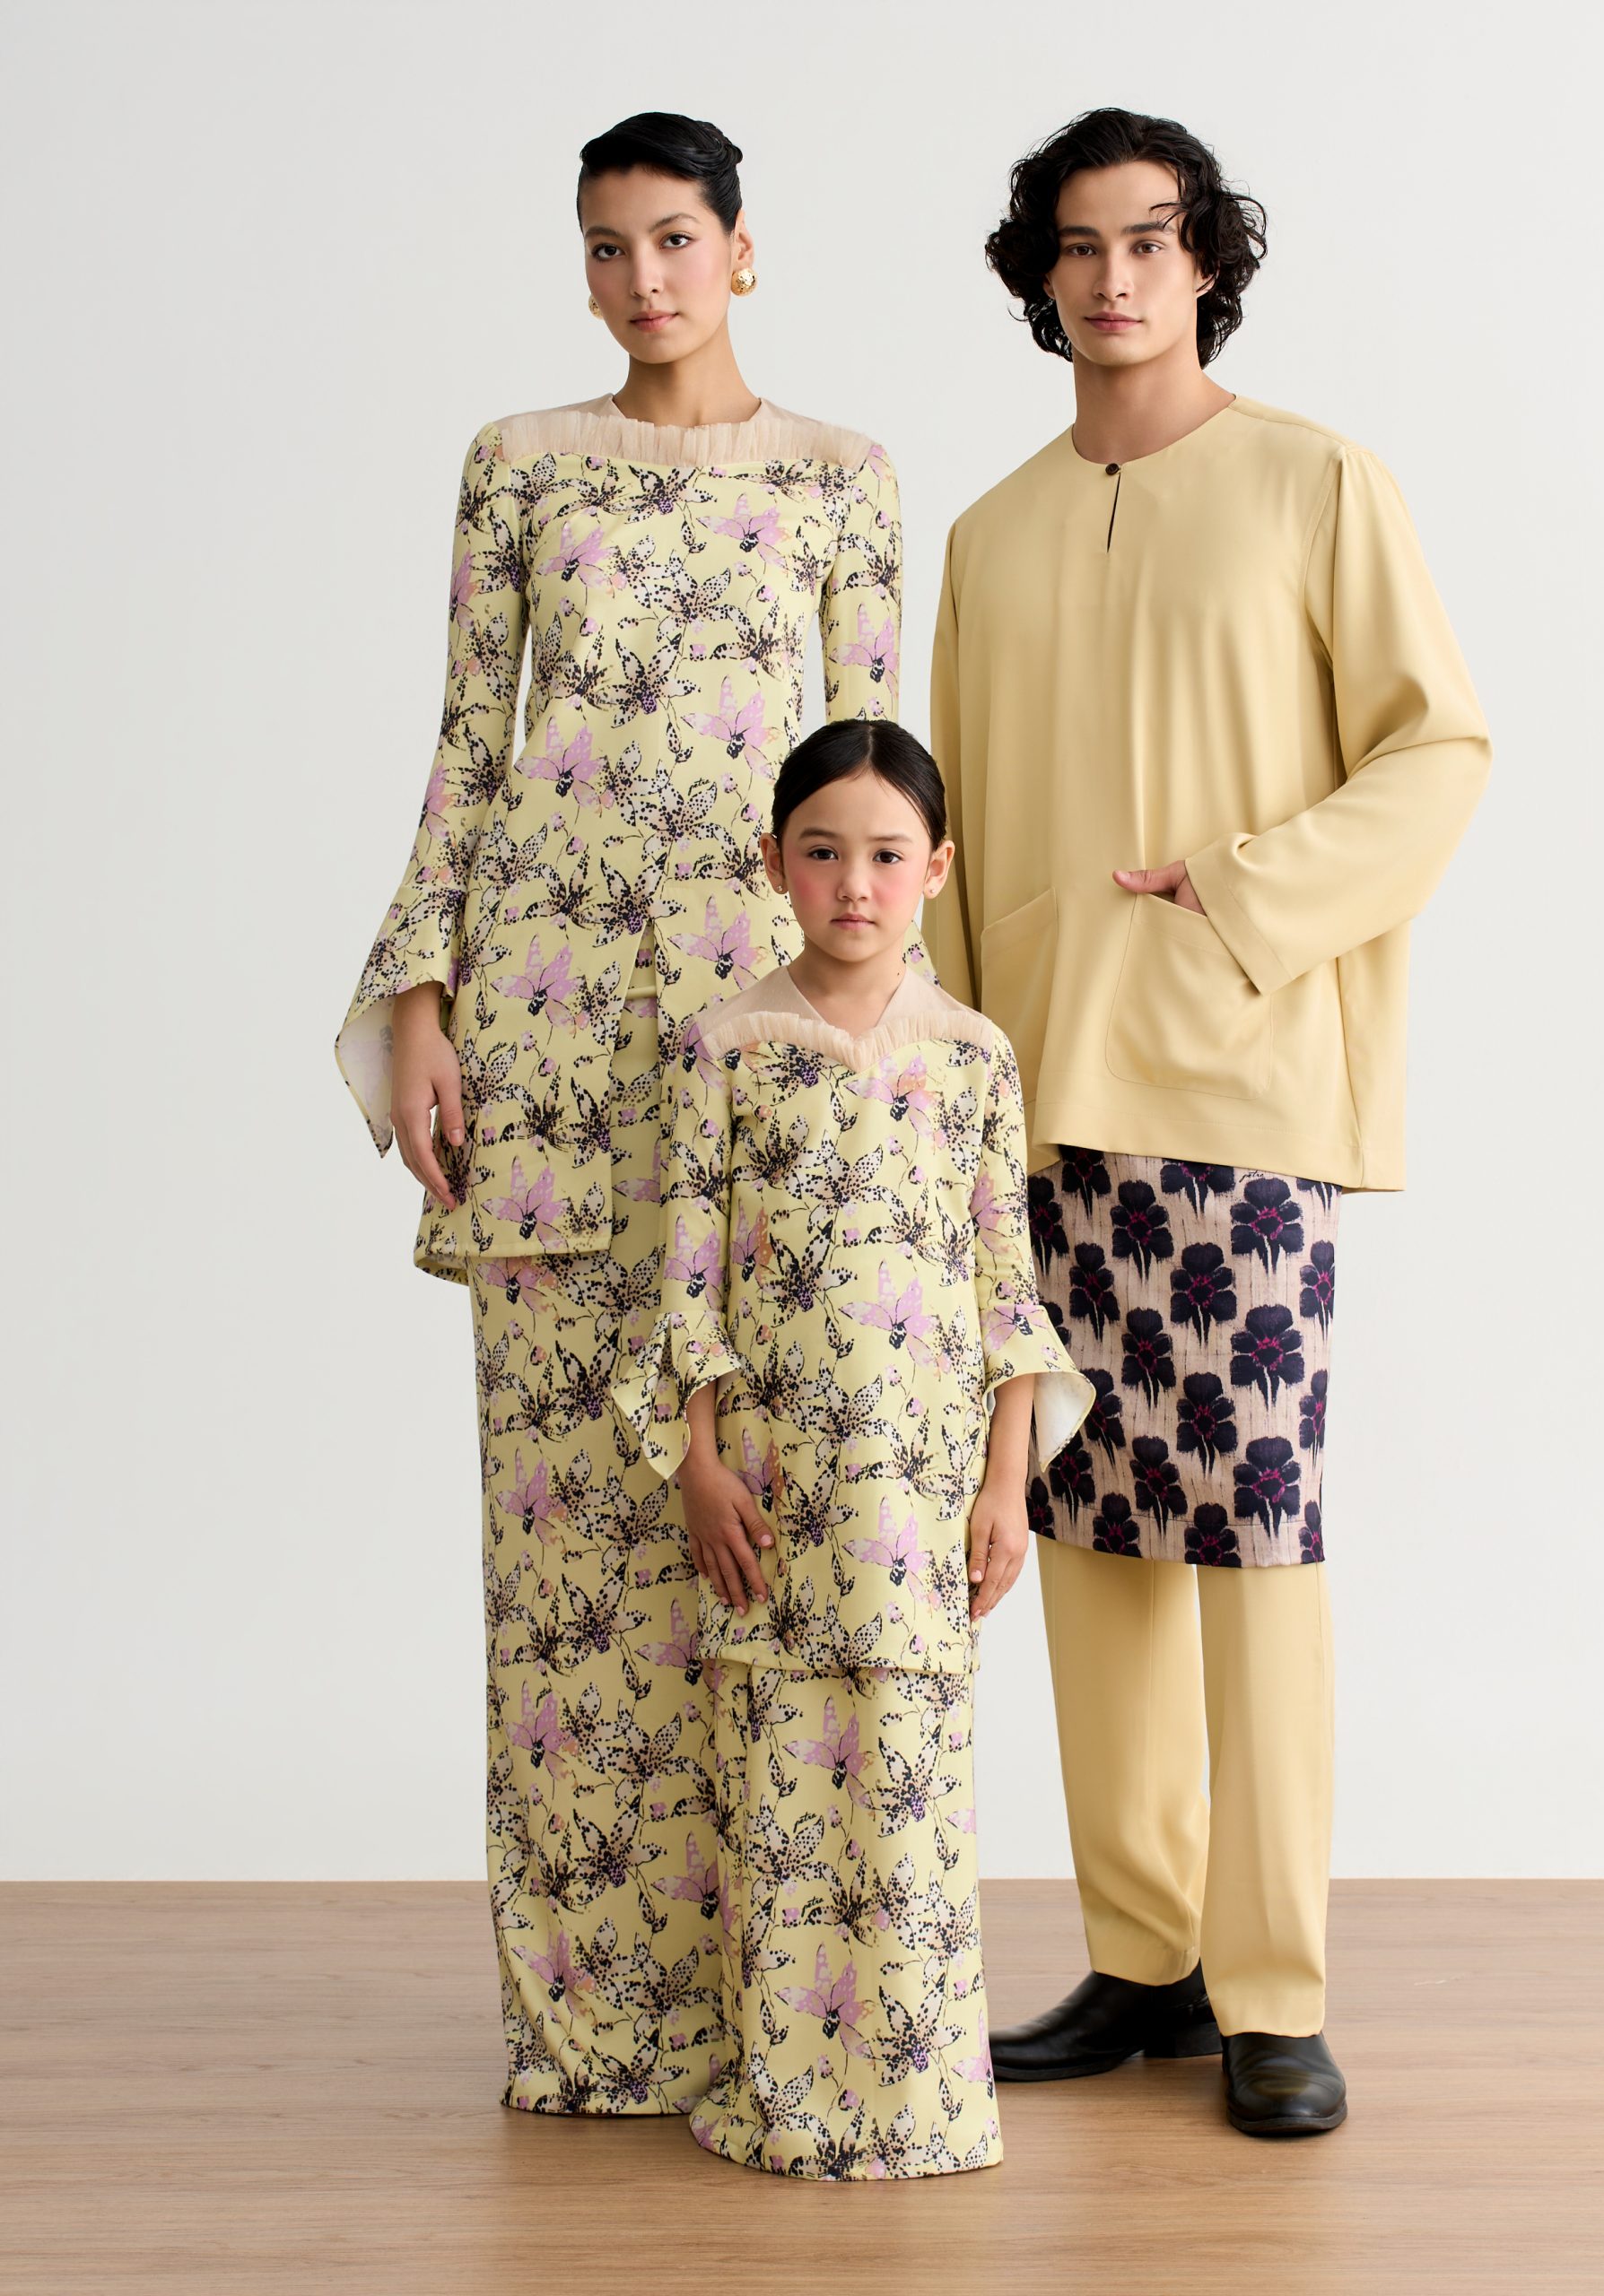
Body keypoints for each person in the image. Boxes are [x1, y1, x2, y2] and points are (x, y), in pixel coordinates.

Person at [925, 108, 1491, 2137]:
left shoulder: (1315, 480)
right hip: (1036, 1095)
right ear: (1039, 276)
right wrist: (947, 1090)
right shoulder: (989, 534)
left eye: (1151, 239)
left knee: (1250, 1540)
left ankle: (1272, 1990)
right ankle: (1147, 1958)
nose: (1114, 278)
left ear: (1207, 260)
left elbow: (1439, 750)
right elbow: (947, 829)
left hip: (1240, 1092)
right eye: (1079, 246)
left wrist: (1247, 895)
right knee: (1086, 1536)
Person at [334, 112, 906, 2117]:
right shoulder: (518, 462)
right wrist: (422, 1003)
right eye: (606, 246)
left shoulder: (844, 478)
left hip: (760, 1052)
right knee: (565, 1548)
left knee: (762, 1536)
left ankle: (789, 2011)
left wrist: (888, 1062)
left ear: (743, 249)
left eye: (674, 238)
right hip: (549, 1051)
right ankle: (593, 2023)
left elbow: (876, 778)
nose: (641, 278)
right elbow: (463, 750)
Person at [612, 720, 1092, 2178]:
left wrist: (1006, 1487)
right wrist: (697, 1466)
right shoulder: (725, 1048)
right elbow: (687, 1281)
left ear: (936, 868)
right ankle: (792, 2098)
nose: (855, 885)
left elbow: (1007, 1291)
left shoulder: (975, 1058)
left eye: (887, 855)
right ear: (776, 863)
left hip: (921, 1497)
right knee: (780, 1784)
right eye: (823, 853)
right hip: (770, 1494)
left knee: (909, 1783)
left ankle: (922, 2100)